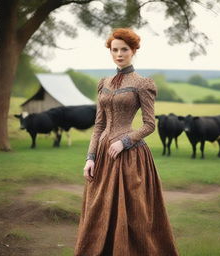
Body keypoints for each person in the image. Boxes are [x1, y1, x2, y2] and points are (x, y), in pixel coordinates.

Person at [74, 28, 179, 256]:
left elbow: (149, 124)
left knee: (133, 212)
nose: (119, 54)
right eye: (115, 50)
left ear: (133, 51)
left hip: (129, 156)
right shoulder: (104, 83)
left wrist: (124, 141)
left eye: (124, 50)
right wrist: (90, 158)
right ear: (110, 52)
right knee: (98, 208)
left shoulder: (142, 84)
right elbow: (99, 126)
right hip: (103, 154)